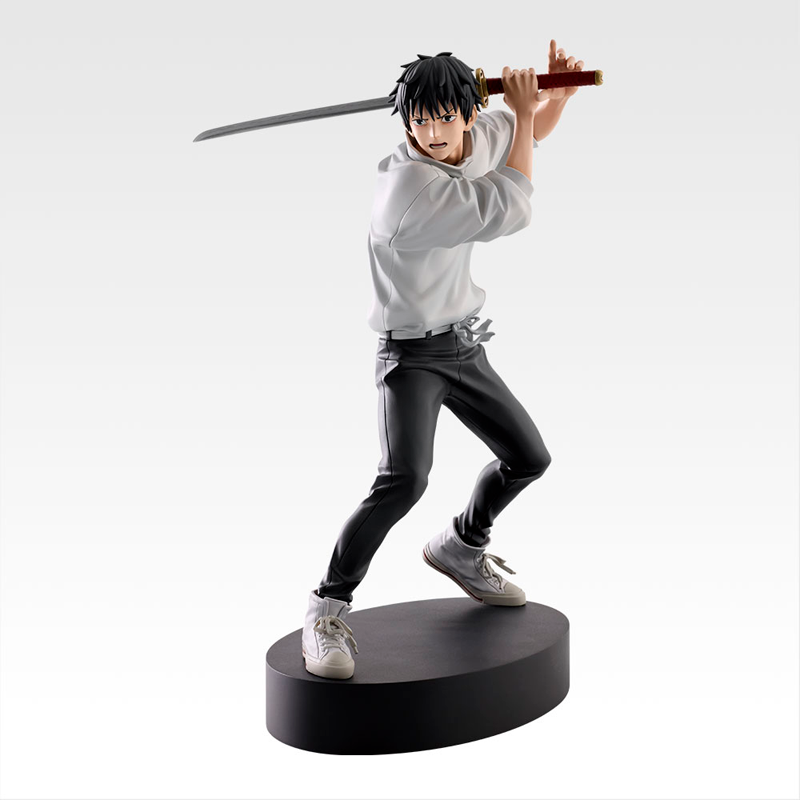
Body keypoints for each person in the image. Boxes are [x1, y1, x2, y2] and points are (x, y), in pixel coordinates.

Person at [302, 42, 584, 680]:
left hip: (463, 343)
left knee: (529, 457)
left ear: (467, 114)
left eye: (443, 118)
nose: (431, 134)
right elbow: (514, 208)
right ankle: (327, 605)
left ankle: (462, 545)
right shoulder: (406, 193)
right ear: (405, 122)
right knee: (404, 479)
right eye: (418, 120)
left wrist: (552, 102)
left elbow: (528, 136)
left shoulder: (470, 138)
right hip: (410, 355)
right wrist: (523, 109)